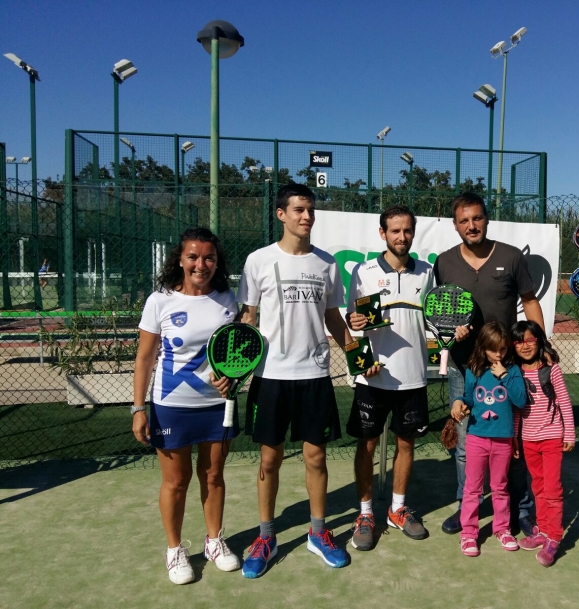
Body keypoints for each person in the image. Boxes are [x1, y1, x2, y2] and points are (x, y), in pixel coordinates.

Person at [237, 183, 367, 578]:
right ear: (281, 214)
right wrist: (235, 368)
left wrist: (356, 353)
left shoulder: (327, 264)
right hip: (270, 376)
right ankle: (266, 536)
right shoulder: (257, 261)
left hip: (314, 375)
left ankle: (317, 532)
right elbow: (247, 318)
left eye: (310, 210)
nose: (306, 216)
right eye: (298, 210)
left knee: (316, 457)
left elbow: (332, 317)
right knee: (269, 459)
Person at [433, 192, 546, 536]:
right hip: (464, 367)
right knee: (467, 445)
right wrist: (453, 332)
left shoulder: (511, 258)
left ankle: (521, 510)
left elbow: (529, 302)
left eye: (477, 218)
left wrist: (539, 346)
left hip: (506, 368)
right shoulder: (444, 262)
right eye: (464, 220)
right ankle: (467, 506)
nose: (471, 226)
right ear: (455, 225)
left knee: (511, 440)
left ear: (486, 219)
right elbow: (443, 313)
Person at [132, 227, 241, 585]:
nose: (201, 264)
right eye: (193, 257)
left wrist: (233, 379)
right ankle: (175, 550)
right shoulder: (159, 300)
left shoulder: (228, 299)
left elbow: (234, 352)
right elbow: (145, 358)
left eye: (209, 257)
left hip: (216, 406)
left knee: (213, 476)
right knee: (176, 482)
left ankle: (214, 541)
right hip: (171, 406)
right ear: (179, 259)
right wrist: (138, 408)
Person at [345, 205, 435, 551]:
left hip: (413, 377)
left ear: (413, 233)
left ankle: (397, 509)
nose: (401, 237)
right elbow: (352, 326)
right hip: (373, 379)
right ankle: (365, 513)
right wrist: (361, 357)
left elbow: (432, 322)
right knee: (366, 446)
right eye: (395, 231)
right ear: (383, 233)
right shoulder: (363, 271)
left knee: (406, 444)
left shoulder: (426, 272)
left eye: (407, 231)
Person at [450, 322, 527, 556]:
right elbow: (470, 399)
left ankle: (502, 529)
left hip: (503, 440)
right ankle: (469, 533)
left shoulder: (512, 371)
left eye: (503, 350)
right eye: (494, 350)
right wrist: (459, 403)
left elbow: (520, 401)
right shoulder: (474, 370)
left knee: (500, 487)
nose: (498, 354)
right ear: (483, 348)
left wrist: (504, 375)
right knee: (473, 489)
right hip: (476, 438)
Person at [511, 320, 575, 567]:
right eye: (518, 342)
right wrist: (516, 439)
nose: (525, 346)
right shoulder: (516, 372)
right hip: (528, 441)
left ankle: (555, 538)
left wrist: (569, 434)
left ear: (538, 340)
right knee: (537, 486)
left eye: (529, 340)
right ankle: (544, 530)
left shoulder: (552, 369)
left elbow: (564, 403)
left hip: (552, 437)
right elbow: (517, 410)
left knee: (553, 489)